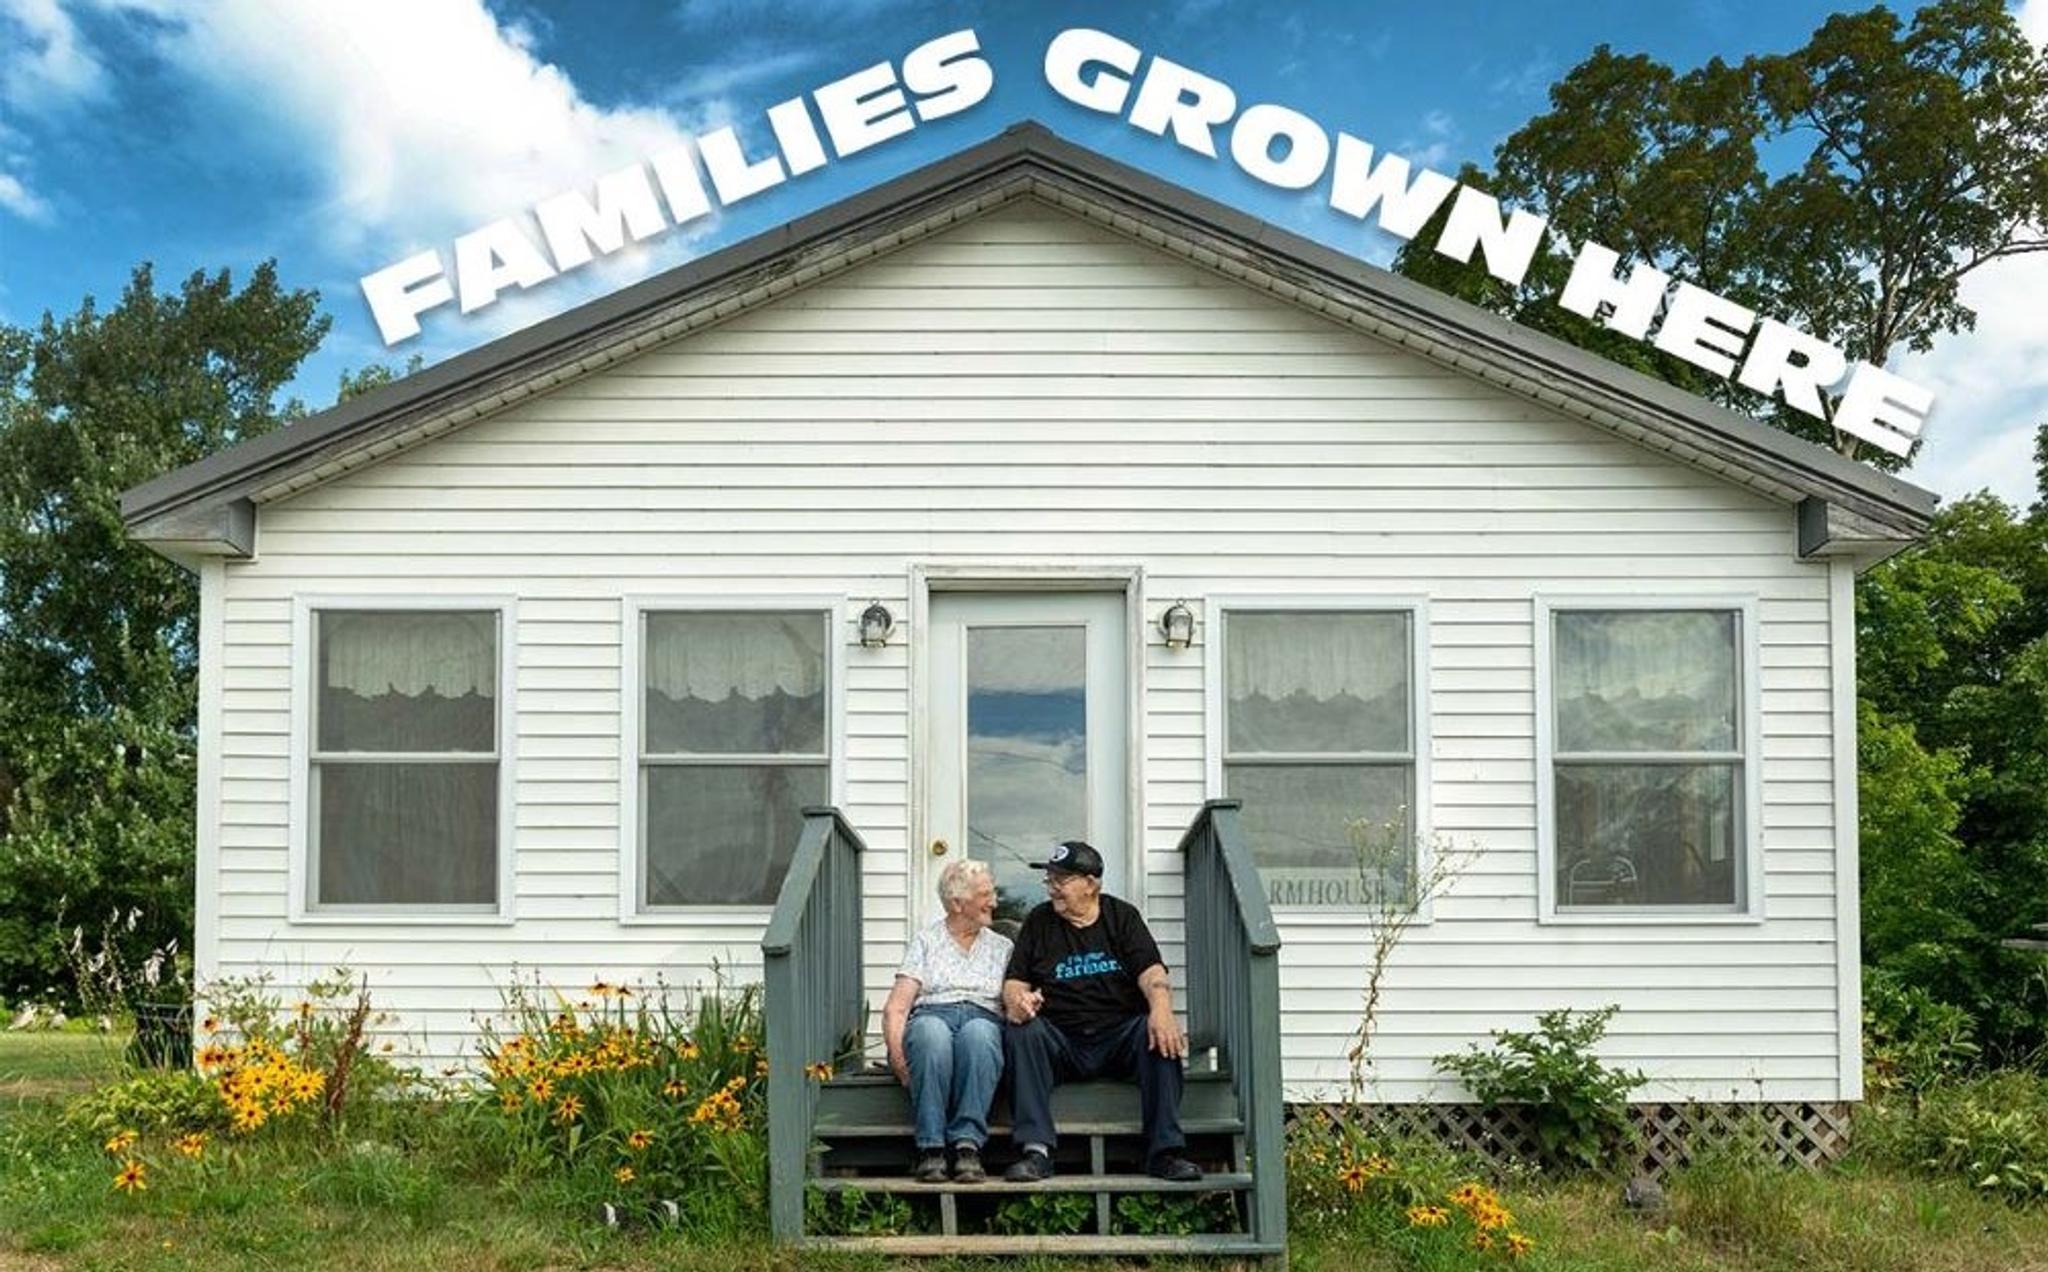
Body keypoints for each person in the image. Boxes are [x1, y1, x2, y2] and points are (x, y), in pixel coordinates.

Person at [999, 840, 1201, 1182]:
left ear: (1091, 884)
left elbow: (1152, 972)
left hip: (1118, 1036)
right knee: (1023, 1031)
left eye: (1060, 881)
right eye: (1049, 880)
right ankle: (1036, 1151)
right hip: (1060, 1039)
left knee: (1158, 1030)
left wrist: (1163, 1008)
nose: (1052, 889)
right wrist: (1018, 1002)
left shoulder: (1121, 917)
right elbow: (1014, 982)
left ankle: (1164, 1152)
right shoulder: (1039, 921)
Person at [880, 858, 1013, 1183]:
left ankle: (968, 1146)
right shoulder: (927, 941)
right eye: (985, 894)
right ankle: (931, 1148)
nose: (993, 902)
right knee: (930, 1035)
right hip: (932, 1013)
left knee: (979, 1036)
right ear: (957, 903)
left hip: (983, 1017)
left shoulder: (1003, 946)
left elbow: (1011, 1002)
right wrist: (898, 1056)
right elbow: (897, 1008)